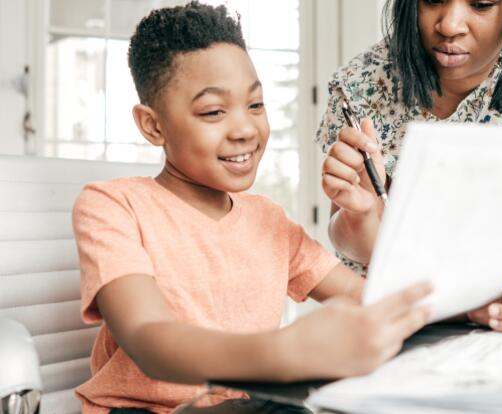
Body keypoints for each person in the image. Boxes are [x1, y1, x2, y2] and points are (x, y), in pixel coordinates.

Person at [71, 3, 439, 413]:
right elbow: (149, 340)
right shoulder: (112, 205)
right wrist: (286, 352)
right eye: (213, 112)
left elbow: (370, 297)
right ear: (153, 126)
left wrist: (476, 301)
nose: (245, 129)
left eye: (256, 105)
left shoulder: (269, 221)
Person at [318, 0, 502, 313]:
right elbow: (354, 243)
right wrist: (362, 214)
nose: (449, 25)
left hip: (490, 304)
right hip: (387, 308)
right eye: (433, 0)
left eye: (481, 5)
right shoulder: (363, 84)